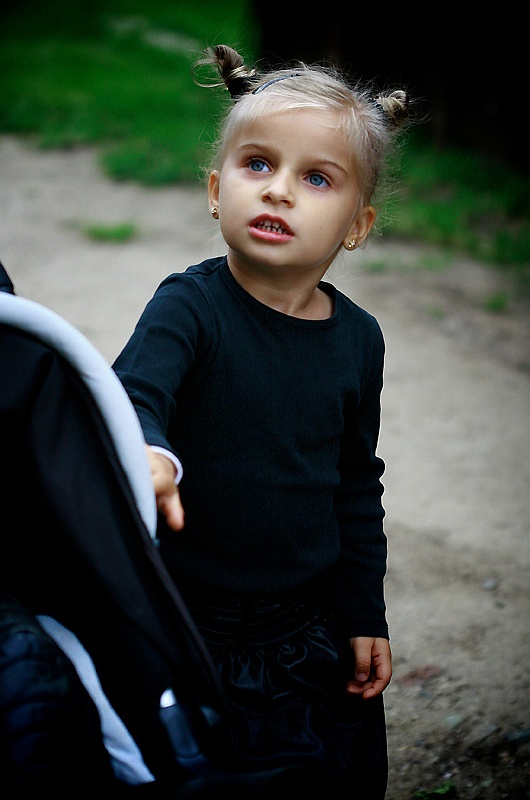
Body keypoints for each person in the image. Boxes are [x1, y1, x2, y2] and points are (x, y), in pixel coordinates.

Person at [113, 44, 410, 799]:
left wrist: (362, 611)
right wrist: (151, 453)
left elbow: (353, 482)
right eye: (257, 165)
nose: (278, 191)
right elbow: (134, 395)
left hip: (303, 629)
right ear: (216, 191)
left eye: (316, 178)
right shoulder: (190, 307)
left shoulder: (358, 340)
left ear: (357, 224)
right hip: (189, 621)